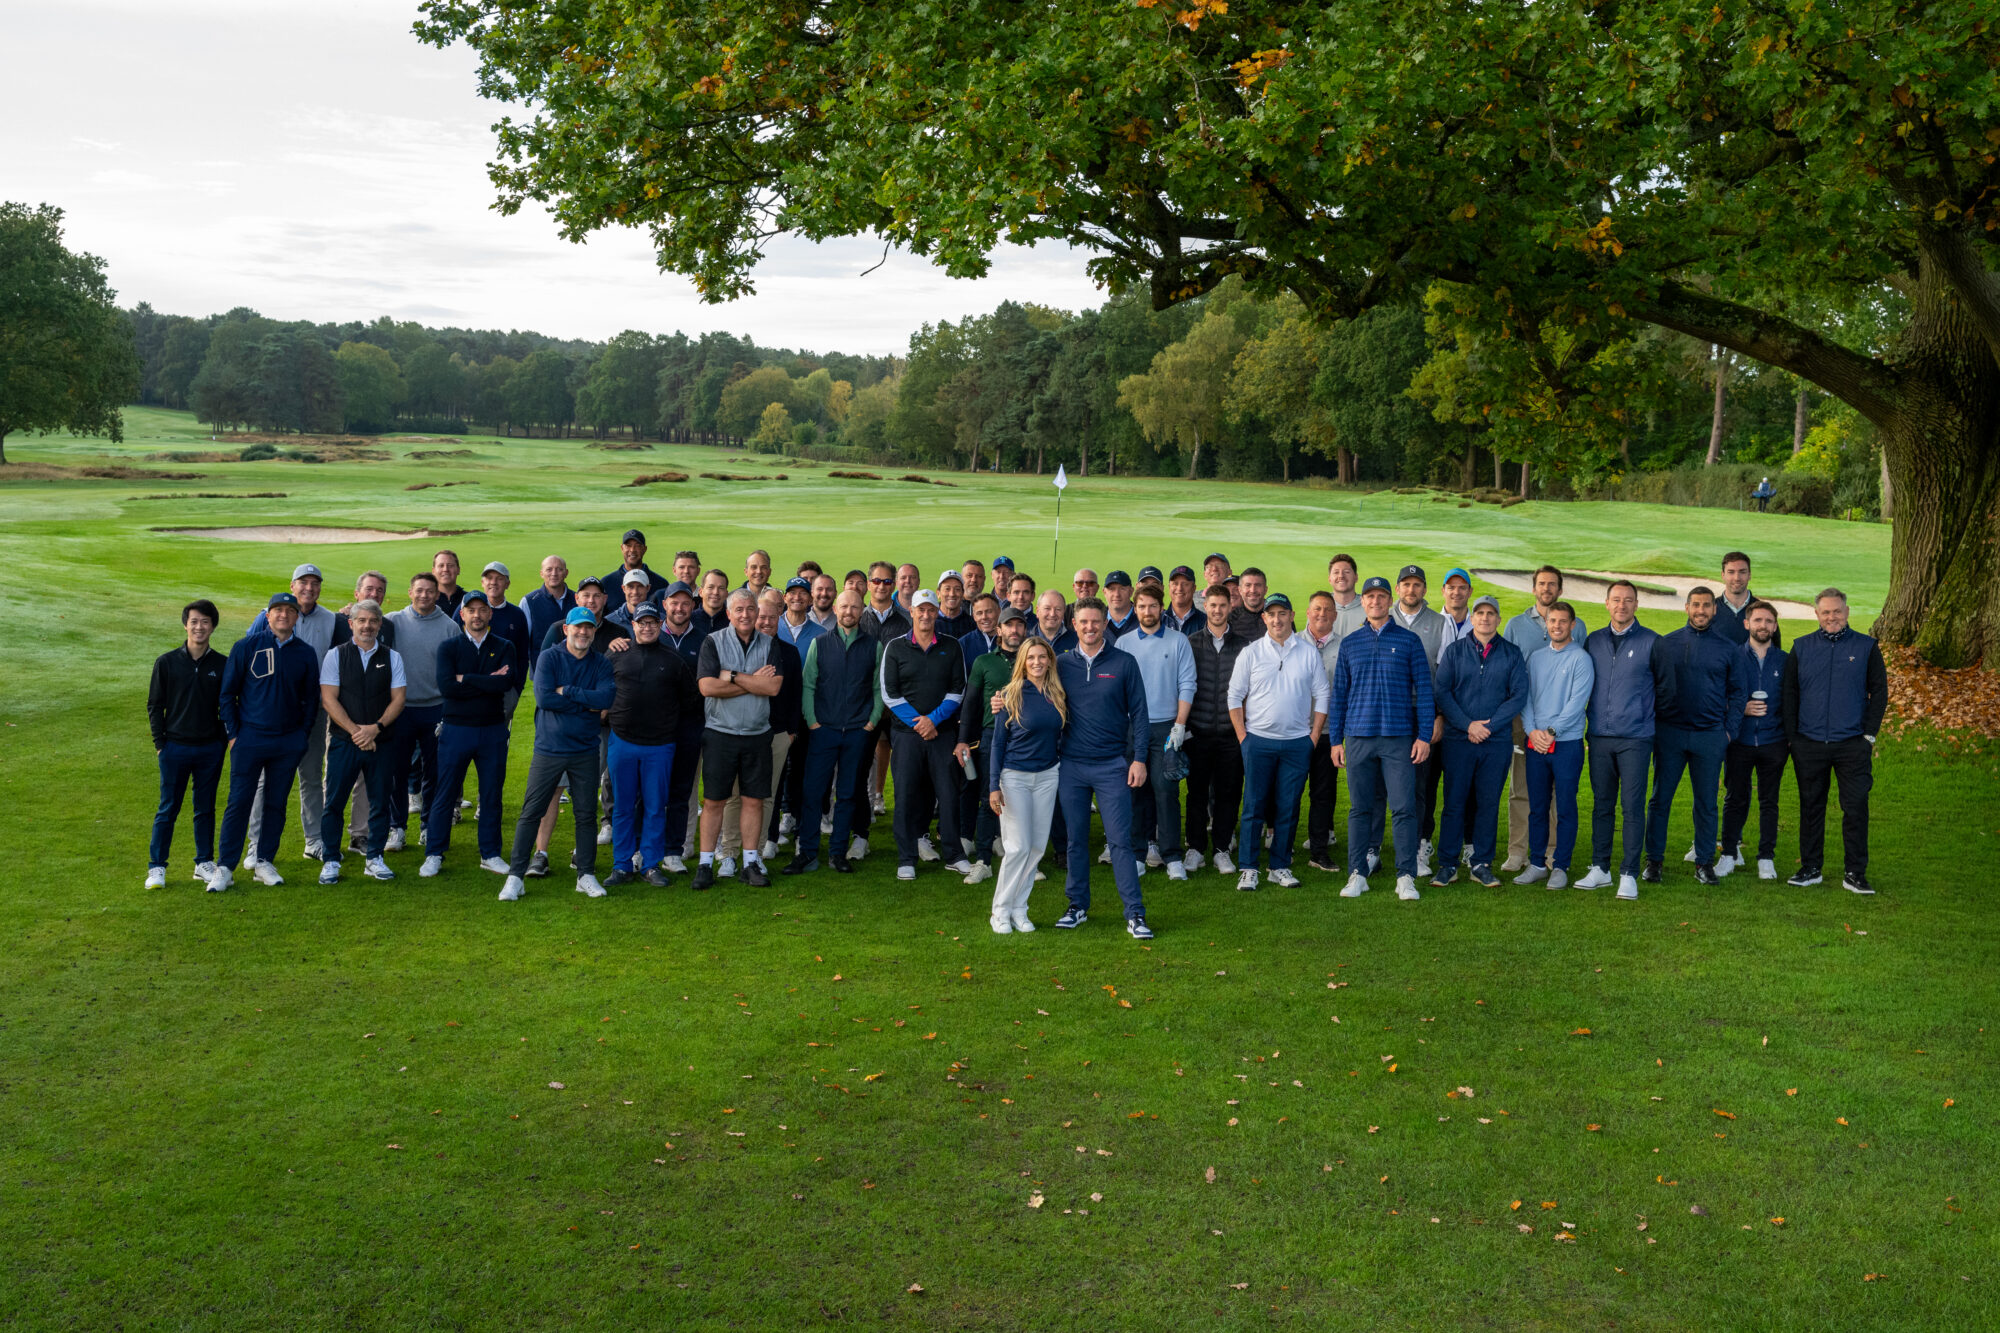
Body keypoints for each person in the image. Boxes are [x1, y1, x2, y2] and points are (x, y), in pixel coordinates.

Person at [1327, 576, 1434, 901]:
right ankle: (1357, 873)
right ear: (1364, 601)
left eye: (1381, 596)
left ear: (1389, 601)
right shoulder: (1351, 642)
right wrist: (1335, 740)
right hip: (1358, 737)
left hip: (1398, 737)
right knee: (1360, 809)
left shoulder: (1409, 640)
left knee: (1403, 808)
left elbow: (1425, 690)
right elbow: (1339, 695)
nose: (1375, 601)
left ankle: (1405, 876)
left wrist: (1424, 735)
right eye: (1370, 596)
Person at [1052, 599, 1153, 939]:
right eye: (1083, 622)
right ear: (1074, 624)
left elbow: (1140, 714)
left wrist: (1139, 758)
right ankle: (1077, 906)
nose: (1090, 627)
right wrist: (1000, 700)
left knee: (1120, 842)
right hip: (1072, 766)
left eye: (1096, 621)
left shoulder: (1124, 663)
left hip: (1113, 766)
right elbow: (1033, 694)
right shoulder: (1061, 664)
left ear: (1105, 622)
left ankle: (1135, 914)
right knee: (1075, 841)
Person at [500, 608, 616, 901]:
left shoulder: (600, 662)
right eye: (578, 627)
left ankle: (585, 875)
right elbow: (544, 697)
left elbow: (606, 699)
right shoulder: (550, 657)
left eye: (589, 628)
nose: (583, 633)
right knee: (531, 812)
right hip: (549, 750)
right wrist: (584, 702)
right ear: (566, 629)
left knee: (586, 814)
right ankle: (515, 877)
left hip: (585, 750)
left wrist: (570, 692)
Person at [210, 592, 321, 891]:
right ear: (268, 615)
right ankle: (225, 867)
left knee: (275, 802)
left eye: (290, 610)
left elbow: (311, 700)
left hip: (287, 741)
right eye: (278, 610)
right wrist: (234, 734)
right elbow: (227, 694)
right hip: (250, 739)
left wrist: (301, 735)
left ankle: (264, 862)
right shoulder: (247, 646)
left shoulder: (305, 653)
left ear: (297, 617)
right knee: (239, 802)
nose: (284, 615)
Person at [1781, 589, 1887, 894]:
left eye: (1837, 611)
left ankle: (1855, 872)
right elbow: (1790, 695)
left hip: (1852, 743)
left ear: (1847, 611)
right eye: (1826, 612)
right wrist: (1793, 738)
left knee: (1855, 807)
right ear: (1816, 614)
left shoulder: (1866, 647)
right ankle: (1810, 868)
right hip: (1810, 743)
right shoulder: (1801, 647)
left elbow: (1879, 692)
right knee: (1811, 807)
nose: (1832, 617)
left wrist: (1868, 735)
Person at [1643, 586, 1750, 886]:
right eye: (1696, 605)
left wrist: (1729, 731)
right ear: (1686, 608)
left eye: (1706, 605)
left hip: (1710, 735)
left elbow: (1739, 692)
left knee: (1706, 803)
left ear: (1714, 609)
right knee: (1660, 798)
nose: (1701, 610)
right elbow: (1652, 687)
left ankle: (1704, 862)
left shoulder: (1728, 648)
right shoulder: (1667, 643)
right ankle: (1654, 861)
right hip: (1670, 734)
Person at [1227, 592, 1329, 891]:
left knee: (1288, 806)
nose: (1276, 619)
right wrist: (1243, 737)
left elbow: (1322, 694)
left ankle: (1279, 865)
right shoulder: (1252, 652)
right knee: (1254, 806)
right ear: (1264, 618)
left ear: (1291, 615)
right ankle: (1248, 867)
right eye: (1271, 614)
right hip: (1258, 740)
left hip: (1297, 742)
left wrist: (1313, 736)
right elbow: (1234, 696)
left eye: (1282, 613)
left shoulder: (1308, 652)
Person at [1430, 595, 1527, 889]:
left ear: (1498, 619)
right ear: (1472, 618)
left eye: (1491, 613)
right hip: (1459, 740)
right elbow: (1443, 692)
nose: (1485, 618)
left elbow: (1518, 696)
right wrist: (1467, 724)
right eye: (1480, 613)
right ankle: (1447, 864)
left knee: (1487, 803)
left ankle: (1481, 864)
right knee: (1454, 802)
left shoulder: (1511, 653)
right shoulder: (1455, 651)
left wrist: (1491, 726)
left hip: (1495, 742)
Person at [245, 562, 339, 865]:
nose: (309, 588)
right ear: (292, 584)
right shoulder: (267, 616)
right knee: (265, 781)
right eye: (303, 582)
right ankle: (255, 846)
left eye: (315, 583)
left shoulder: (332, 619)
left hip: (311, 712)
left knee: (311, 778)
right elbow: (249, 657)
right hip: (272, 713)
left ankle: (314, 840)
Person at [880, 590, 975, 880]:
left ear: (937, 613)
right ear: (912, 612)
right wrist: (919, 723)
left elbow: (959, 688)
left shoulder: (951, 645)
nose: (925, 615)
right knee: (906, 795)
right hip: (906, 736)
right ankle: (906, 857)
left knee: (948, 794)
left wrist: (933, 720)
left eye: (930, 610)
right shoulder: (895, 647)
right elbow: (889, 692)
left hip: (943, 733)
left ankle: (954, 854)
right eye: (920, 610)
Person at [422, 588, 515, 878]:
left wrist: (467, 679)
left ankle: (490, 853)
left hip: (492, 730)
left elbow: (504, 684)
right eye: (471, 610)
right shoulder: (449, 647)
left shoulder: (504, 646)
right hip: (456, 728)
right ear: (462, 614)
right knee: (445, 793)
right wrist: (485, 679)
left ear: (490, 613)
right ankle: (434, 853)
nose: (477, 615)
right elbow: (447, 687)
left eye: (482, 610)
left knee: (491, 794)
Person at [1575, 580, 1659, 900]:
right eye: (1616, 600)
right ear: (1606, 604)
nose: (1622, 605)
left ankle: (1628, 873)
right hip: (1599, 736)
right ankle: (1600, 869)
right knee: (1602, 805)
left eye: (1628, 600)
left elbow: (1664, 690)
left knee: (1633, 807)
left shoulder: (1652, 641)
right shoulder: (1593, 641)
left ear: (1636, 604)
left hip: (1636, 738)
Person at [693, 590, 783, 889]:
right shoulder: (713, 641)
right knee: (714, 801)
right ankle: (706, 863)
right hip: (720, 734)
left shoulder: (770, 644)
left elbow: (772, 688)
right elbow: (707, 686)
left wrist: (731, 676)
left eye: (750, 609)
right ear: (729, 614)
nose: (746, 615)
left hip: (758, 735)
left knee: (753, 801)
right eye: (739, 610)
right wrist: (752, 681)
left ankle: (750, 863)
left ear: (758, 612)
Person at [604, 602, 697, 886]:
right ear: (633, 625)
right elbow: (600, 688)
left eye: (652, 623)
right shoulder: (616, 654)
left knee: (656, 806)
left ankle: (651, 865)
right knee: (622, 806)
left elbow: (690, 700)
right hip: (622, 741)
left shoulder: (673, 659)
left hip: (660, 745)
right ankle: (621, 865)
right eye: (641, 623)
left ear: (660, 625)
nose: (646, 627)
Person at [791, 590, 883, 874]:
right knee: (813, 792)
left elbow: (878, 690)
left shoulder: (874, 646)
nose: (849, 611)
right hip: (824, 730)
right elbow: (808, 685)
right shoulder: (820, 643)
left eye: (855, 607)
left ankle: (837, 853)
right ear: (836, 607)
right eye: (844, 606)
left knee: (847, 795)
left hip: (857, 731)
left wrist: (871, 722)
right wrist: (812, 722)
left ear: (861, 610)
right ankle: (806, 852)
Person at [316, 598, 406, 884]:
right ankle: (331, 859)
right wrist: (358, 731)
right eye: (362, 621)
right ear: (351, 623)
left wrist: (375, 729)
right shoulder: (336, 655)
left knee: (380, 802)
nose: (367, 626)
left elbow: (399, 699)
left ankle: (374, 858)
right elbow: (329, 698)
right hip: (345, 741)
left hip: (382, 741)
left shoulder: (392, 657)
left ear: (380, 625)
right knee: (334, 802)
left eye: (373, 621)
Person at [1502, 566, 1585, 870]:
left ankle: (1551, 849)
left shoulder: (1579, 626)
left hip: (1561, 725)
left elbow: (1579, 672)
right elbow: (1511, 671)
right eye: (1541, 584)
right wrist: (1531, 726)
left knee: (1555, 790)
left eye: (1552, 584)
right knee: (1522, 787)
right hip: (1523, 720)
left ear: (1560, 590)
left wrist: (1553, 728)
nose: (1546, 588)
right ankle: (1517, 850)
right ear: (1533, 588)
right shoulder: (1516, 625)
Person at [716, 592, 804, 868]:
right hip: (739, 731)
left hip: (777, 733)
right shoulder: (739, 648)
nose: (765, 622)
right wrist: (754, 682)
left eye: (771, 617)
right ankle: (729, 851)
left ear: (780, 618)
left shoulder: (788, 652)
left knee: (766, 796)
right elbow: (718, 684)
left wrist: (791, 732)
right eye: (761, 616)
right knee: (733, 795)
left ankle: (757, 849)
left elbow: (791, 694)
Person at [146, 599, 229, 889]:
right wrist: (160, 744)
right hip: (174, 748)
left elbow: (228, 704)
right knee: (168, 807)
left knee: (205, 807)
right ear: (185, 624)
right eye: (194, 621)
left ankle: (204, 862)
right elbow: (155, 706)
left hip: (209, 749)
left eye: (205, 622)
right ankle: (157, 867)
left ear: (213, 626)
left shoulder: (222, 664)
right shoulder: (167, 662)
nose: (199, 627)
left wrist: (221, 740)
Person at [987, 637, 1067, 933]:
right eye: (1031, 657)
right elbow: (997, 744)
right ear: (1023, 661)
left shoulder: (1057, 693)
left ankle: (1020, 909)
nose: (1037, 662)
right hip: (1015, 777)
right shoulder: (1009, 695)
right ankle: (1000, 911)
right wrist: (994, 785)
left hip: (1047, 776)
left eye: (1042, 657)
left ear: (1049, 660)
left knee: (1035, 848)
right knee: (1017, 846)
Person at [1118, 583, 1197, 881]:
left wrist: (1179, 724)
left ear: (1161, 609)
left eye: (1152, 606)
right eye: (1142, 606)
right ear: (1135, 609)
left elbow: (1187, 684)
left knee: (1166, 792)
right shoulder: (1124, 644)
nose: (1147, 611)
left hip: (1167, 726)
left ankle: (1172, 855)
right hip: (1134, 728)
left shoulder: (1178, 641)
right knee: (1136, 791)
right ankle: (1138, 853)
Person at [1515, 601, 1594, 889]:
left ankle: (1560, 865)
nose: (1557, 625)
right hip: (1536, 743)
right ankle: (1537, 863)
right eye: (1552, 621)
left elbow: (1577, 702)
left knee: (1565, 806)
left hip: (1566, 745)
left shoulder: (1580, 659)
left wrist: (1551, 730)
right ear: (1546, 624)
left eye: (1563, 621)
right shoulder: (1535, 658)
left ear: (1573, 625)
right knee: (1537, 806)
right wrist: (1531, 731)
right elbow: (1527, 698)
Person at [383, 571, 462, 853]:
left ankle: (428, 826)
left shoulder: (450, 626)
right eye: (419, 590)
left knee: (435, 772)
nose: (424, 595)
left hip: (436, 708)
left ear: (437, 594)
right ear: (410, 592)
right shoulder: (393, 621)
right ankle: (397, 828)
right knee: (397, 771)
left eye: (430, 591)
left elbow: (456, 669)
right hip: (401, 708)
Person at [1385, 564, 1449, 877]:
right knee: (1389, 783)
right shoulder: (1383, 617)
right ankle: (1379, 847)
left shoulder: (1440, 622)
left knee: (1421, 783)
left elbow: (1445, 675)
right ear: (1398, 589)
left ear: (1425, 589)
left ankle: (1420, 846)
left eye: (1417, 585)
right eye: (1406, 584)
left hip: (1424, 711)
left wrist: (1437, 715)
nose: (1411, 590)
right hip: (1390, 714)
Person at [957, 604, 1029, 883]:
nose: (1014, 630)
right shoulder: (984, 662)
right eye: (1009, 625)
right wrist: (963, 740)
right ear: (998, 630)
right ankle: (984, 860)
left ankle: (1023, 861)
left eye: (1019, 625)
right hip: (991, 736)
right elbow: (971, 703)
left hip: (1026, 738)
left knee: (1023, 801)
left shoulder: (1034, 659)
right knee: (991, 798)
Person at [1184, 584, 1251, 876]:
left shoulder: (1244, 646)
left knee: (1229, 793)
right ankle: (1196, 848)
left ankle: (1222, 850)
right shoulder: (1191, 642)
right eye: (1212, 605)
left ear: (1229, 608)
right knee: (1196, 793)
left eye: (1222, 605)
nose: (1217, 610)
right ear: (1205, 607)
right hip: (1197, 732)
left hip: (1230, 734)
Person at [1719, 600, 1788, 880]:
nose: (1763, 626)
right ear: (1747, 624)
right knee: (1735, 797)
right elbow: (1719, 697)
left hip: (1774, 740)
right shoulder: (1733, 657)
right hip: (1739, 740)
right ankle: (1728, 854)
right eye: (1758, 620)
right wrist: (1741, 708)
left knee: (1769, 801)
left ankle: (1766, 857)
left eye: (1769, 621)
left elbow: (1792, 700)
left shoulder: (1785, 660)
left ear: (1774, 626)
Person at [656, 581, 708, 873]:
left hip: (690, 728)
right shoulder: (650, 635)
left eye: (685, 603)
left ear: (693, 606)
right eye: (674, 603)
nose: (679, 608)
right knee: (649, 792)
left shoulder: (704, 640)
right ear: (665, 605)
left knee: (680, 792)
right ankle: (645, 848)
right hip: (655, 730)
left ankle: (674, 850)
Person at [1302, 591, 1344, 872]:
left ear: (1335, 616)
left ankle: (1319, 851)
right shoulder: (1291, 643)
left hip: (1329, 733)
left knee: (1323, 794)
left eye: (1328, 610)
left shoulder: (1346, 647)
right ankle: (1282, 849)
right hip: (1294, 732)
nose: (1322, 614)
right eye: (1317, 609)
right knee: (1288, 792)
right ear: (1308, 612)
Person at [471, 561, 534, 712]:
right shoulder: (467, 611)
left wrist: (516, 690)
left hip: (504, 693)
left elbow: (522, 656)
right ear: (482, 582)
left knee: (499, 735)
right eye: (489, 578)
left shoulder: (517, 615)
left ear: (507, 584)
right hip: (471, 689)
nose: (493, 582)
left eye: (499, 578)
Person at [522, 556, 575, 669]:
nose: (554, 573)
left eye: (559, 569)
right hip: (542, 667)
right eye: (549, 569)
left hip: (573, 666)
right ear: (542, 573)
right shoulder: (529, 601)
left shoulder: (578, 600)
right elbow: (524, 639)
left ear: (566, 573)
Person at [603, 528, 667, 603]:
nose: (632, 550)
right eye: (628, 545)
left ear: (644, 549)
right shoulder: (606, 583)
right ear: (622, 548)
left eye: (637, 546)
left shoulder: (661, 584)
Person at [1712, 551, 1762, 645]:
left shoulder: (1764, 612)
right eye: (1731, 572)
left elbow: (1774, 653)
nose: (1737, 578)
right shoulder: (1709, 610)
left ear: (1749, 575)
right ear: (1723, 575)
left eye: (1742, 572)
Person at [774, 576, 825, 651]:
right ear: (784, 598)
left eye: (803, 593)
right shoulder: (772, 626)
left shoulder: (821, 633)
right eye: (792, 592)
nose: (797, 597)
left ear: (811, 599)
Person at [1437, 568, 1476, 657]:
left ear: (1470, 592)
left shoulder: (1479, 626)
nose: (1456, 592)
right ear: (1443, 591)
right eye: (1451, 588)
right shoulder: (1432, 625)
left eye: (1462, 587)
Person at [959, 592, 1001, 666]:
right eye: (979, 613)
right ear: (974, 616)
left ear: (999, 611)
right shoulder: (963, 644)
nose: (984, 617)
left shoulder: (1009, 641)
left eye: (989, 611)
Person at [1228, 567, 1270, 638]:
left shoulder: (1278, 616)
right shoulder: (1230, 620)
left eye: (1258, 585)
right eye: (1248, 585)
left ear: (1265, 590)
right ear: (1240, 590)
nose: (1253, 590)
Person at [936, 568, 975, 639]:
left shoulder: (971, 624)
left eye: (957, 589)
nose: (952, 594)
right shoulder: (929, 621)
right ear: (938, 593)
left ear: (963, 594)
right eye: (947, 589)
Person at [692, 568, 732, 635]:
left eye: (721, 588)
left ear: (726, 594)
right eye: (710, 587)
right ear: (701, 592)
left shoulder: (733, 621)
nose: (716, 592)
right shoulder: (689, 621)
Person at [1165, 565, 1202, 634]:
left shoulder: (1206, 622)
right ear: (1169, 587)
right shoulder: (1158, 621)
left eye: (1185, 584)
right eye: (1175, 584)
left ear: (1194, 588)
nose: (1179, 589)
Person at [1102, 570, 1139, 640]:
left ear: (1131, 591)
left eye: (1122, 589)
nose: (1117, 594)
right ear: (1104, 592)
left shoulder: (1143, 618)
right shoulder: (1096, 620)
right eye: (1112, 589)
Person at [431, 549, 467, 618]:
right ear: (433, 571)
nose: (445, 569)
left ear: (458, 570)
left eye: (450, 565)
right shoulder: (426, 600)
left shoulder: (468, 599)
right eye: (441, 566)